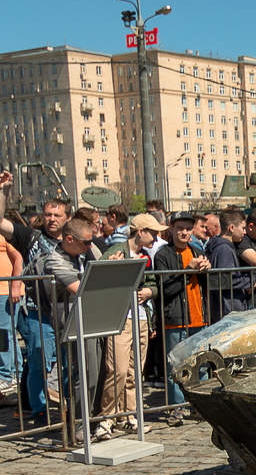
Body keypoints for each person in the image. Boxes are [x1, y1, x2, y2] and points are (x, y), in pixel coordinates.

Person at [0, 178, 71, 420]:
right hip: (37, 312)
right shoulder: (31, 237)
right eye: (48, 214)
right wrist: (4, 192)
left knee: (69, 363)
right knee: (39, 361)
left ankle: (70, 407)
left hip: (67, 312)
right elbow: (0, 222)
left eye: (57, 215)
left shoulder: (73, 242)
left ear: (67, 218)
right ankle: (39, 410)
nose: (51, 219)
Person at [94, 215, 159, 439]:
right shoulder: (116, 251)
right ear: (140, 231)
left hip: (140, 317)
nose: (156, 237)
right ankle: (106, 418)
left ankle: (129, 415)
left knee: (134, 372)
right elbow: (97, 278)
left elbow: (153, 283)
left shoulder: (146, 255)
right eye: (153, 232)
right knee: (118, 370)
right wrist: (111, 267)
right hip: (120, 317)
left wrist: (150, 291)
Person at [39, 217, 101, 438]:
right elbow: (82, 289)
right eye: (86, 242)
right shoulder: (54, 260)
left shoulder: (84, 253)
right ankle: (79, 425)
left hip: (91, 319)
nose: (90, 246)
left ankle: (90, 420)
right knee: (84, 373)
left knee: (94, 373)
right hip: (72, 322)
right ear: (69, 239)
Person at [152, 212, 211, 425]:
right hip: (176, 318)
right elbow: (165, 288)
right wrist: (188, 270)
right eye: (180, 228)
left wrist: (207, 270)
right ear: (172, 229)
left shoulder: (197, 250)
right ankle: (176, 408)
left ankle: (201, 405)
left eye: (188, 228)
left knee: (200, 365)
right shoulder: (163, 254)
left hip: (199, 317)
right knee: (175, 366)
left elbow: (206, 285)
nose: (184, 232)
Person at [205, 210, 250, 318]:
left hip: (225, 307)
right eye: (243, 228)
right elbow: (224, 280)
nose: (245, 232)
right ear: (231, 228)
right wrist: (248, 281)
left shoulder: (221, 246)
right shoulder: (224, 249)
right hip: (228, 309)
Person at [0, 230, 23, 400]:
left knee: (4, 333)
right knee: (7, 333)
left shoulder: (4, 234)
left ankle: (7, 376)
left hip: (4, 292)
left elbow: (18, 258)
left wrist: (15, 284)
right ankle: (14, 373)